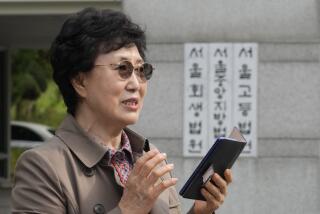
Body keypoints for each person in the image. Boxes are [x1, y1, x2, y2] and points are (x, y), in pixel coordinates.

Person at [11, 7, 232, 214]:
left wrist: (200, 211)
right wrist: (128, 209)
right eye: (123, 69)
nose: (136, 83)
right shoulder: (42, 166)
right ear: (80, 81)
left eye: (141, 70)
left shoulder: (149, 156)